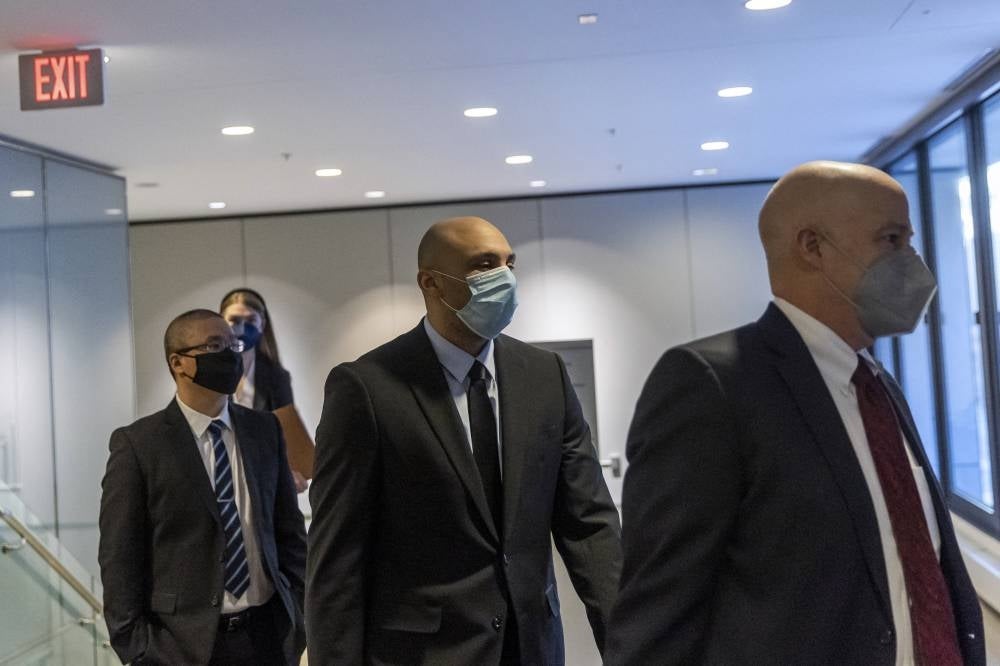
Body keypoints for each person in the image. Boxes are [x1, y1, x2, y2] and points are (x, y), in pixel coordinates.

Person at [605, 161, 985, 666]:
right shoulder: (711, 384)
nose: (913, 261)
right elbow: (658, 617)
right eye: (891, 239)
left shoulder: (877, 385)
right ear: (812, 247)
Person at [306, 216, 623, 665]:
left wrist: (631, 642)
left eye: (509, 263)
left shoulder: (544, 376)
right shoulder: (367, 389)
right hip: (422, 653)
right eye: (484, 265)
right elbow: (338, 557)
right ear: (431, 283)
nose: (505, 277)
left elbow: (590, 524)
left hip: (531, 646)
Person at [98, 309, 307, 665]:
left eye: (232, 344)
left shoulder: (264, 430)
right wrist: (139, 650)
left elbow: (289, 533)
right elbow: (120, 558)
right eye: (214, 345)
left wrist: (298, 610)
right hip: (182, 648)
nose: (230, 354)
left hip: (268, 637)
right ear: (178, 363)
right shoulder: (139, 445)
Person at [220, 288, 311, 493]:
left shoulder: (276, 377)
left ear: (263, 324)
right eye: (234, 320)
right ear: (221, 322)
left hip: (263, 474)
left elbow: (286, 428)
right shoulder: (211, 372)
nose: (242, 328)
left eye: (250, 320)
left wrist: (292, 472)